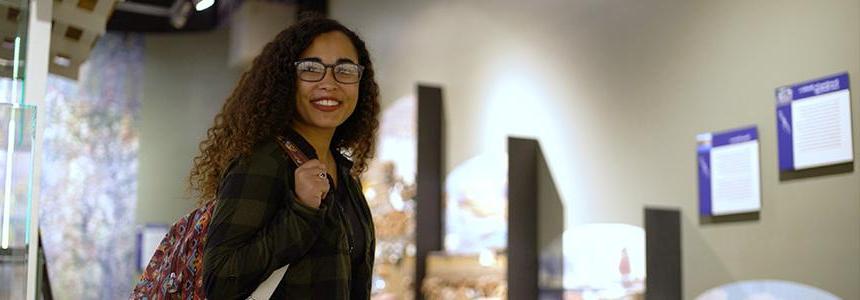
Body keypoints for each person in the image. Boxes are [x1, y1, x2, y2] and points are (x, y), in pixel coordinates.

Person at [189, 17, 379, 299]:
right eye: (311, 69)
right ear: (286, 80)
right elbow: (220, 279)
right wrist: (301, 212)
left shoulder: (345, 175)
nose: (329, 83)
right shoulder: (263, 161)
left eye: (345, 70)